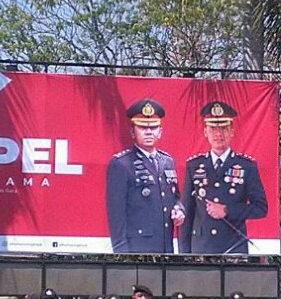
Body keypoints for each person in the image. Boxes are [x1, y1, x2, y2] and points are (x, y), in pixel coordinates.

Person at [181, 101, 268, 255]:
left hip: (233, 247)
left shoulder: (246, 165)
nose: (218, 134)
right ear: (205, 132)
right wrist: (184, 254)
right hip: (201, 248)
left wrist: (227, 210)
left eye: (223, 128)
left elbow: (261, 208)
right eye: (213, 128)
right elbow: (187, 212)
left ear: (232, 131)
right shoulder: (194, 165)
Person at [106, 99, 183, 253]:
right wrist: (122, 258)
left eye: (153, 127)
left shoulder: (168, 161)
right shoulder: (121, 164)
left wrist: (179, 209)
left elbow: (175, 197)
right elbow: (116, 218)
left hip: (165, 248)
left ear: (160, 131)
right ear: (132, 132)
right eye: (142, 127)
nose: (149, 132)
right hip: (137, 251)